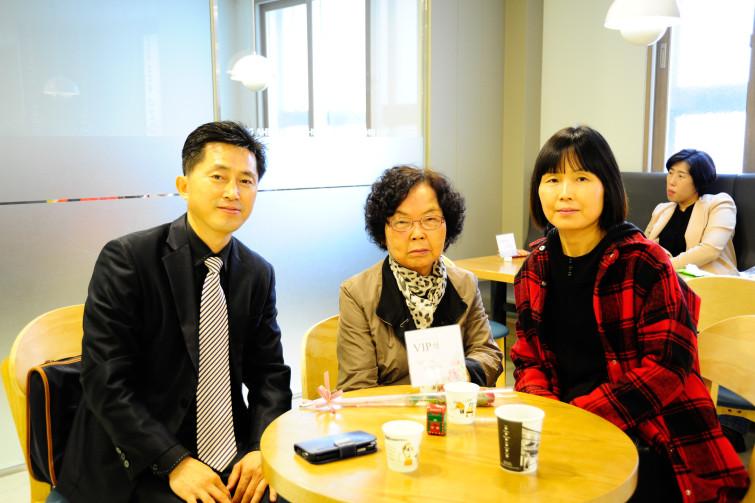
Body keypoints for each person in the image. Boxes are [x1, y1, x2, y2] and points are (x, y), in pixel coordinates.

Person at [56, 121, 292, 503]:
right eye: (218, 176)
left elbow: (270, 375)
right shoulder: (128, 259)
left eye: (246, 181)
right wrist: (174, 461)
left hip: (231, 452)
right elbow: (105, 380)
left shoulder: (257, 272)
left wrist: (259, 446)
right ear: (184, 186)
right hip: (141, 455)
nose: (233, 192)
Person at [511, 126, 749, 502]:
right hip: (565, 427)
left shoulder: (644, 262)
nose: (564, 192)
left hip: (651, 429)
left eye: (581, 178)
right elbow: (528, 359)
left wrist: (580, 415)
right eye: (552, 179)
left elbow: (667, 367)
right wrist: (546, 412)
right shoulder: (534, 267)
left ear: (607, 187)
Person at [337, 165, 503, 391]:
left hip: (453, 406)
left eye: (430, 219)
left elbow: (487, 352)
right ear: (383, 232)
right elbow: (358, 386)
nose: (417, 234)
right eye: (402, 222)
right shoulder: (357, 293)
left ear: (447, 225)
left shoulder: (465, 283)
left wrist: (464, 372)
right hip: (391, 412)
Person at [645, 149, 738, 276]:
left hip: (708, 281)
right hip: (666, 280)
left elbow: (709, 250)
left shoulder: (720, 204)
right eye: (670, 173)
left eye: (680, 176)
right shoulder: (661, 210)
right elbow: (645, 247)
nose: (671, 181)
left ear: (698, 181)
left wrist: (664, 266)